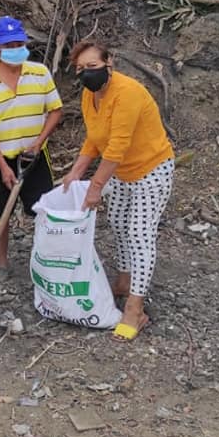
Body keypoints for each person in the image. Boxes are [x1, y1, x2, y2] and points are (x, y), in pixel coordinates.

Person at [63, 39, 175, 342]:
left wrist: (96, 186)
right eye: (81, 69)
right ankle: (125, 281)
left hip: (151, 169)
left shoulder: (127, 93)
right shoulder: (89, 96)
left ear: (109, 62)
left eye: (93, 66)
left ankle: (135, 309)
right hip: (122, 172)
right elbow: (95, 138)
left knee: (139, 233)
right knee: (117, 223)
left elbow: (117, 146)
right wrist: (76, 171)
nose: (87, 73)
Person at [0, 16, 64, 276]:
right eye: (8, 46)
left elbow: (55, 111)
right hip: (1, 157)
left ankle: (45, 261)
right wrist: (3, 166)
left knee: (44, 212)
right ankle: (1, 263)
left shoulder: (40, 73)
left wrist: (38, 142)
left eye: (18, 44)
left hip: (36, 156)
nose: (15, 50)